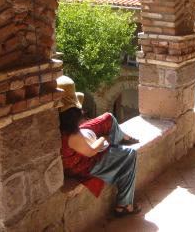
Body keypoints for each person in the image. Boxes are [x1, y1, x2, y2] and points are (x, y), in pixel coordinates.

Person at [57, 76, 141, 217]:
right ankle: (124, 205)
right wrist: (102, 139)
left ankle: (123, 137)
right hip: (84, 163)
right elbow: (90, 152)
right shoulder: (70, 134)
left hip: (80, 142)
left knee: (108, 117)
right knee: (130, 154)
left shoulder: (60, 121)